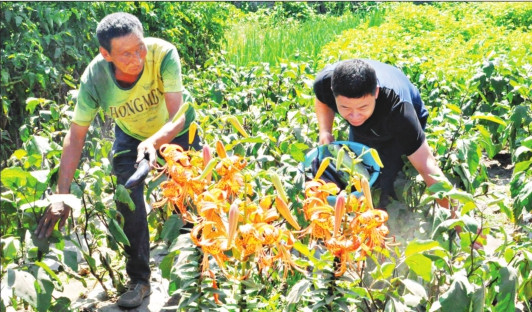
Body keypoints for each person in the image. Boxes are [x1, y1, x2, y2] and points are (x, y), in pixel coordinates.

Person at [34, 12, 200, 308]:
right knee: (127, 195)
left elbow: (178, 116)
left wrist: (155, 143)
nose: (137, 58)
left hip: (178, 131)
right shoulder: (95, 78)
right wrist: (62, 194)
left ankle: (198, 273)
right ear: (105, 54)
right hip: (132, 135)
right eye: (126, 54)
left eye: (140, 47)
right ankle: (140, 280)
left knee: (189, 199)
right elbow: (76, 136)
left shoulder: (162, 54)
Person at [313, 59, 448, 208]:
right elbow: (322, 100)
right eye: (345, 107)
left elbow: (428, 167)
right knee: (359, 172)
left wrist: (460, 222)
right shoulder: (325, 82)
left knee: (388, 180)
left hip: (397, 122)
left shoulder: (400, 112)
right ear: (333, 92)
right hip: (371, 121)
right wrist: (325, 131)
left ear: (376, 92)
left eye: (363, 107)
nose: (355, 116)